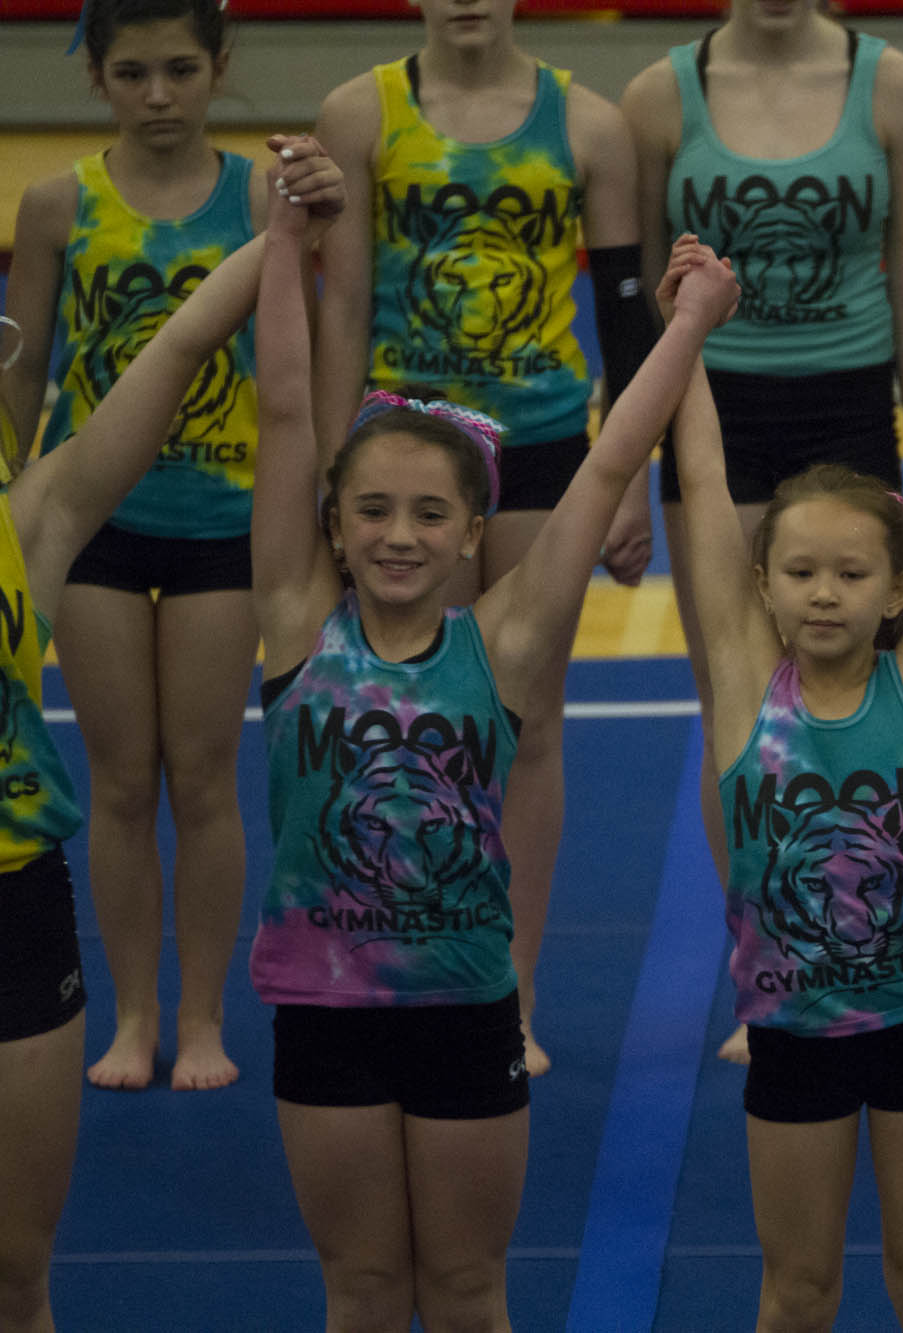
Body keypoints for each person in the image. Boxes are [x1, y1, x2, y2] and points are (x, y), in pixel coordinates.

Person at [250, 142, 732, 1330]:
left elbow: (607, 462)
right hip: (324, 1007)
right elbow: (284, 408)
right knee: (363, 1287)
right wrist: (285, 244)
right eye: (372, 510)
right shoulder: (296, 625)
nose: (398, 535)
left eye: (430, 513)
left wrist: (687, 326)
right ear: (333, 523)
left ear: (474, 532)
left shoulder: (502, 644)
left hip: (469, 1005)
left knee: (468, 1287)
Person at [0, 129, 331, 1333]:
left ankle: (180, 1014)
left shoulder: (30, 520)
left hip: (13, 888)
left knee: (17, 1270)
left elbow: (180, 344)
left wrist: (279, 235)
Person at [668, 224, 903, 1331]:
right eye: (800, 571)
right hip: (792, 1029)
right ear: (760, 583)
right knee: (799, 1289)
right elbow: (703, 476)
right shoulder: (740, 680)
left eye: (852, 573)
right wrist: (689, 332)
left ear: (900, 589)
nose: (823, 592)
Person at [312, 0, 645, 1077]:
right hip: (411, 449)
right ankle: (416, 962)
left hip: (541, 445)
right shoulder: (361, 113)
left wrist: (629, 478)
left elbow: (626, 317)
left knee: (528, 722)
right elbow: (344, 301)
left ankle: (513, 985)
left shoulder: (589, 125)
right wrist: (335, 470)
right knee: (416, 721)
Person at [622, 0, 903, 1065]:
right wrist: (626, 467)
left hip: (849, 404)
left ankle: (862, 938)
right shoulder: (659, 97)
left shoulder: (893, 87)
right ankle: (770, 956)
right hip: (716, 408)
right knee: (739, 700)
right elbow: (641, 307)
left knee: (855, 702)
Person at [2, 0, 263, 1092]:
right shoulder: (58, 203)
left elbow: (297, 359)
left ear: (219, 66)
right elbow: (23, 363)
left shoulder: (262, 198)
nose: (159, 96)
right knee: (116, 781)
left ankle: (201, 1015)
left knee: (202, 778)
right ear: (97, 79)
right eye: (134, 74)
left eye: (181, 70)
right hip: (95, 526)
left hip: (224, 519)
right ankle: (132, 1013)